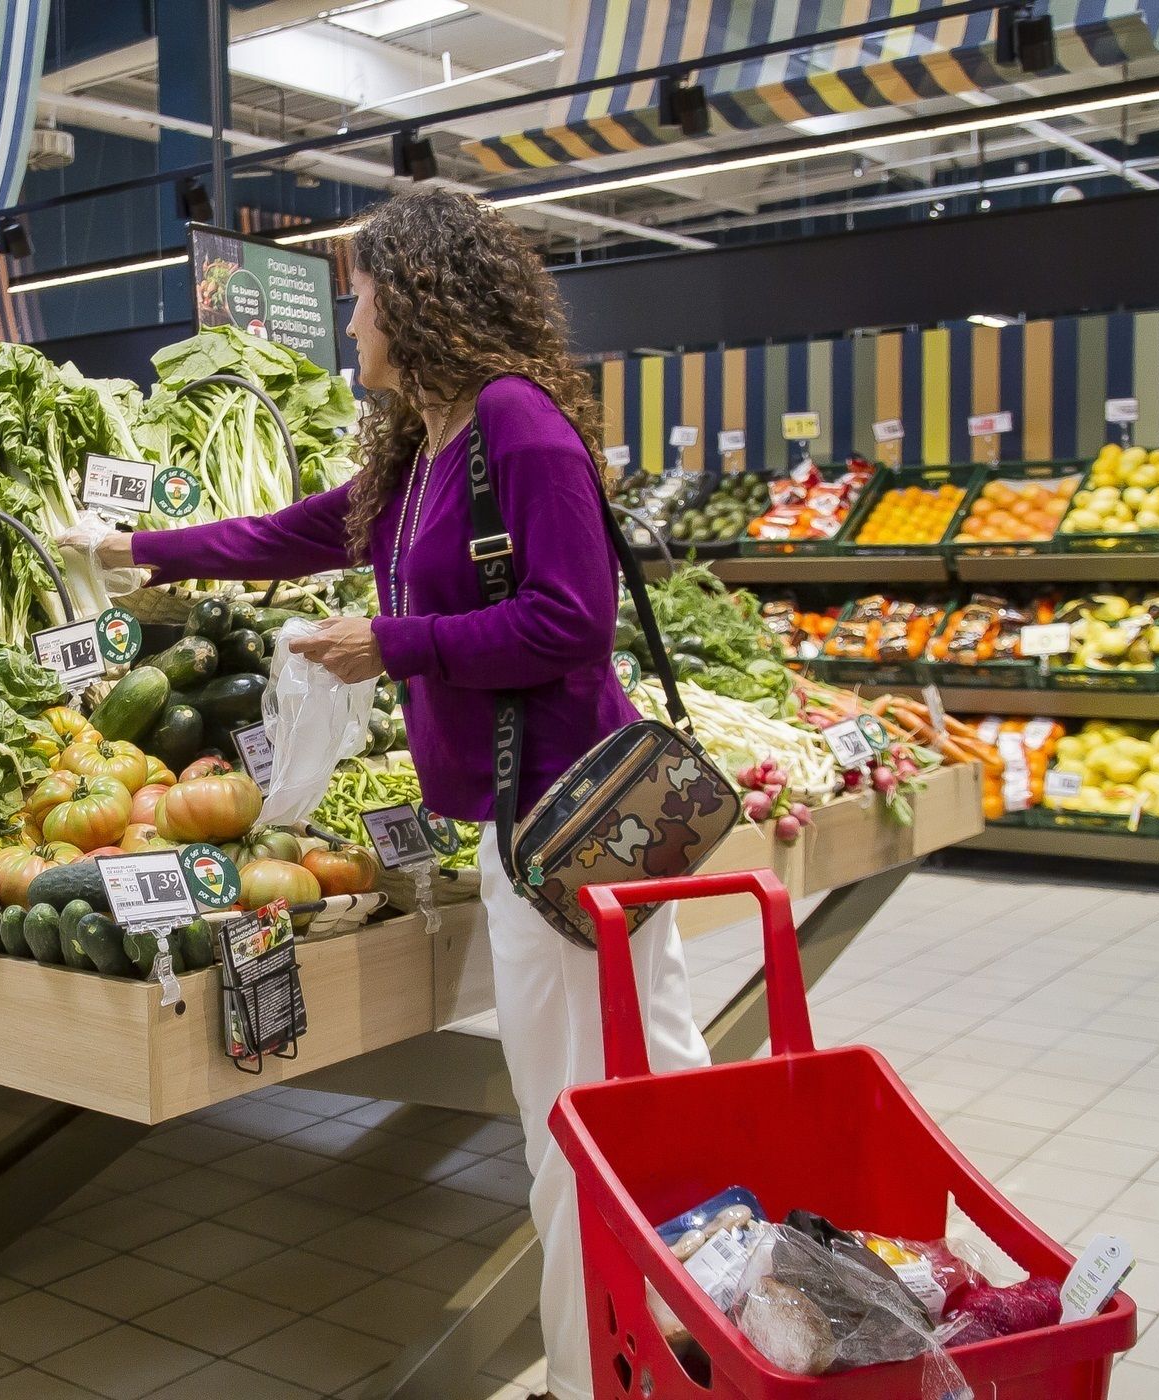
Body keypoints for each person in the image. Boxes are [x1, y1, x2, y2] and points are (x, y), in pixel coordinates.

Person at [67, 186, 709, 1400]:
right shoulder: (429, 444)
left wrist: (398, 643)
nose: (348, 325)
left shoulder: (517, 424)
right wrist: (144, 550)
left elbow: (576, 618)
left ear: (417, 300)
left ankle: (601, 1372)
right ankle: (685, 1347)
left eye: (359, 299)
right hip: (529, 821)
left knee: (581, 1123)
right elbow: (306, 531)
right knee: (641, 1094)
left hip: (567, 826)